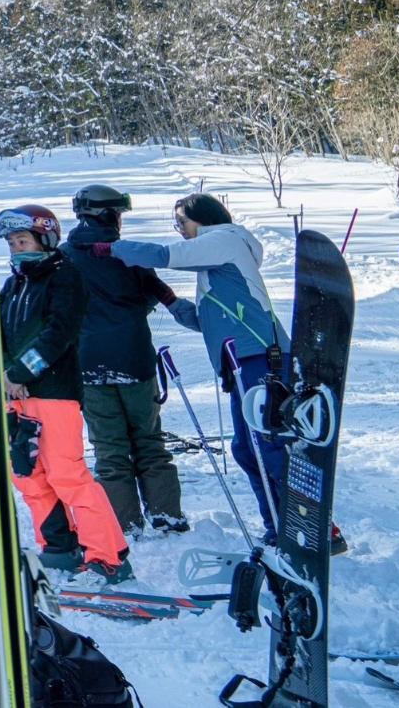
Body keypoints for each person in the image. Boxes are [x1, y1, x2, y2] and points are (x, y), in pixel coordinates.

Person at [105, 191, 299, 545]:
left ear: (204, 217)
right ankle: (279, 526)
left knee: (266, 445)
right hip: (240, 362)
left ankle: (307, 521)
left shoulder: (223, 238)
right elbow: (213, 317)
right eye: (176, 223)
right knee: (246, 449)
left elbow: (165, 256)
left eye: (182, 221)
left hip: (259, 359)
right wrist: (175, 305)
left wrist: (110, 247)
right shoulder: (219, 254)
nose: (179, 229)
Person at [0, 203, 132, 582]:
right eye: (10, 243)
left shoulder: (64, 277)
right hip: (15, 395)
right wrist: (5, 375)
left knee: (66, 474)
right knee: (26, 473)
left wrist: (23, 370)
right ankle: (58, 547)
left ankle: (108, 556)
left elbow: (59, 332)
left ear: (46, 238)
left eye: (22, 240)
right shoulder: (13, 285)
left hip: (54, 391)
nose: (16, 248)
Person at [61, 184, 197, 538]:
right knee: (149, 443)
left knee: (109, 450)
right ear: (107, 215)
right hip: (134, 361)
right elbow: (157, 292)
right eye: (117, 214)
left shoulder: (63, 257)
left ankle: (124, 525)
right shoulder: (125, 253)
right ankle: (167, 516)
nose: (119, 221)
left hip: (88, 366)